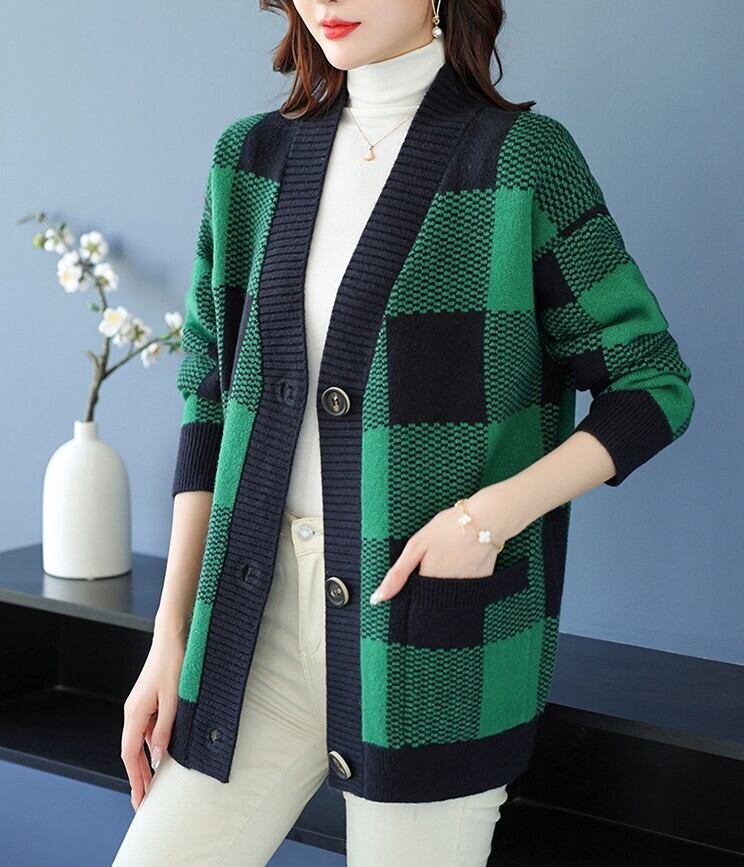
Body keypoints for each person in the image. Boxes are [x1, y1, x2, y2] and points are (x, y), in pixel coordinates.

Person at [112, 1, 695, 864]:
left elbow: (652, 383)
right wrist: (170, 640)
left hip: (429, 642)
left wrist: (486, 518)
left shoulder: (522, 162)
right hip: (251, 622)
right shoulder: (250, 161)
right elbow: (208, 402)